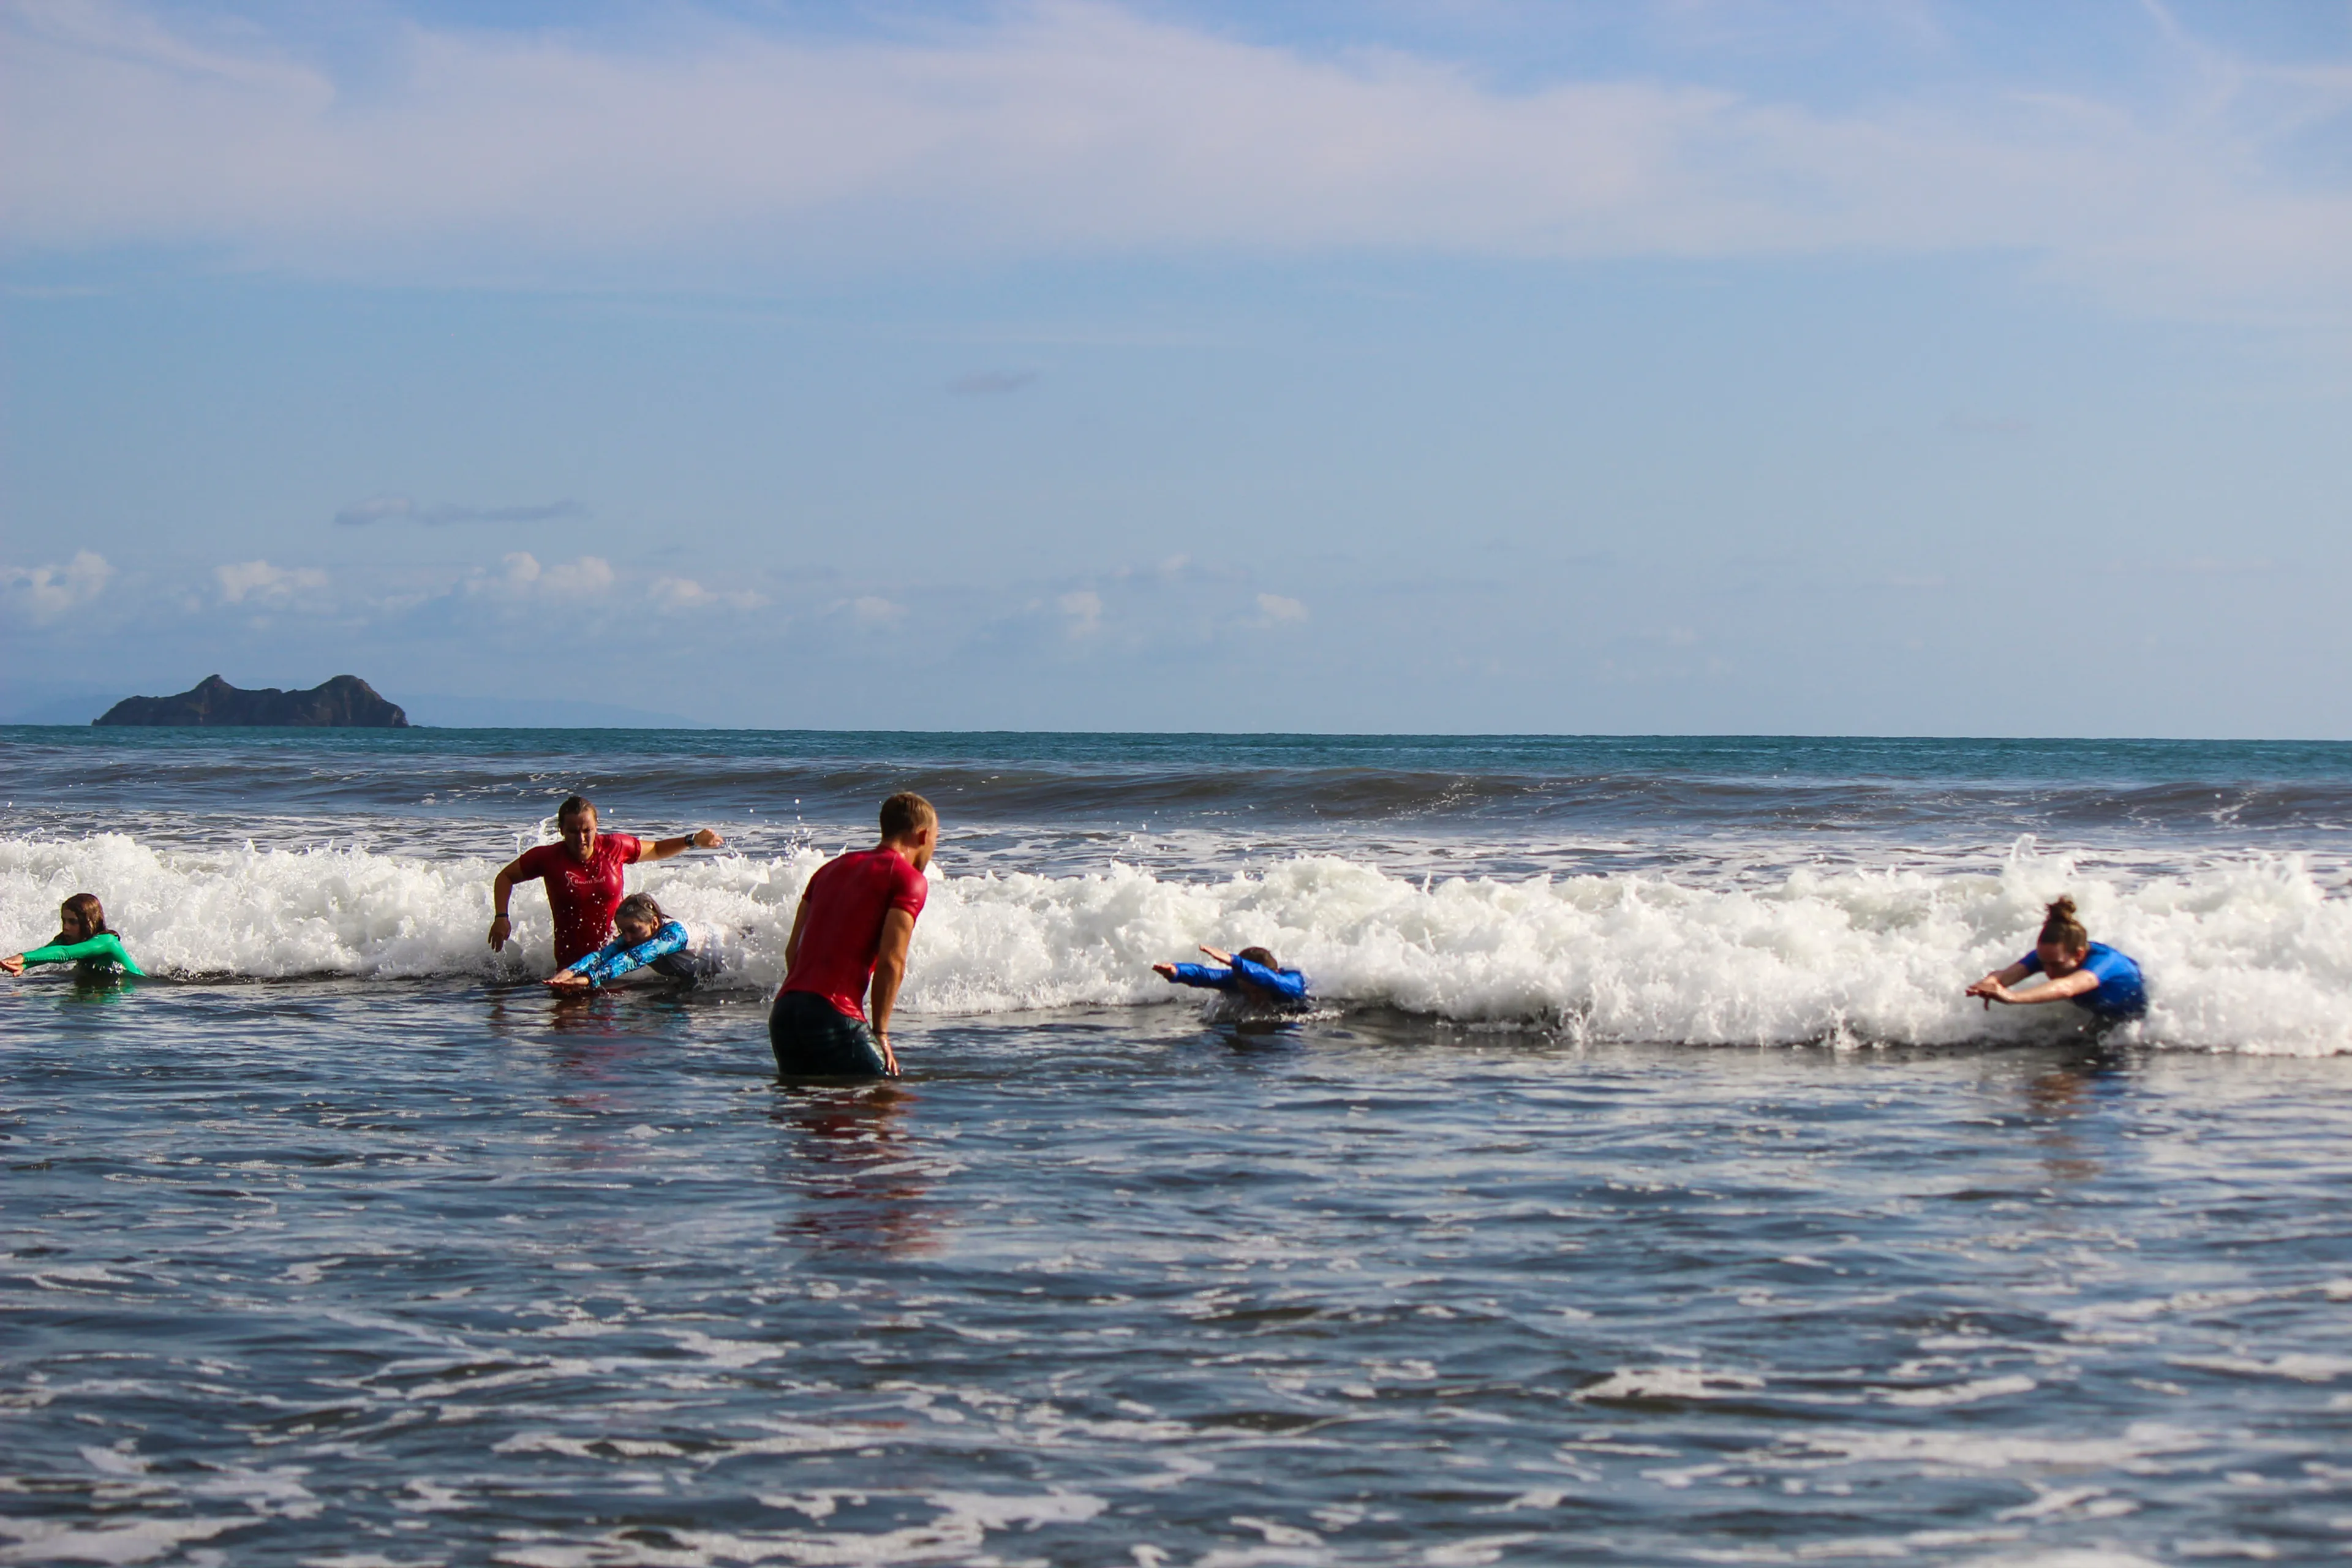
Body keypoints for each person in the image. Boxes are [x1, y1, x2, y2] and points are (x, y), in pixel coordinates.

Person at [771, 793, 937, 1078]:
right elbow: (892, 961)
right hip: (833, 1012)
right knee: (886, 1095)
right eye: (935, 839)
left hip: (785, 1013)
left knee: (806, 1102)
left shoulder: (828, 870)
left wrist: (806, 1004)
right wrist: (881, 1033)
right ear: (923, 836)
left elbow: (792, 951)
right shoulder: (908, 879)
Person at [488, 795, 725, 968]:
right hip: (570, 962)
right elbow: (505, 877)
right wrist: (501, 917)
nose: (581, 839)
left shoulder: (614, 847)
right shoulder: (548, 858)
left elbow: (657, 849)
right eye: (573, 831)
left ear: (596, 827)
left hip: (617, 959)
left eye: (587, 830)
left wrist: (693, 840)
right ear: (561, 830)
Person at [1966, 896, 2146, 1020]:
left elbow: (2067, 987)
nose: (2049, 972)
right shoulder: (2049, 956)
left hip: (2144, 1022)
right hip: (2107, 1016)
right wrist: (1987, 984)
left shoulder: (2105, 962)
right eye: (2044, 964)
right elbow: (2004, 976)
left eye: (2056, 965)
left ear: (2079, 954)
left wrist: (2012, 997)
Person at [545, 893, 721, 991]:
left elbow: (634, 958)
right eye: (623, 931)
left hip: (728, 956)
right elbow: (601, 956)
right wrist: (571, 971)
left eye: (634, 930)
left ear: (654, 923)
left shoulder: (674, 935)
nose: (627, 938)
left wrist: (589, 979)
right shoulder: (634, 938)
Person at [3, 893, 147, 979]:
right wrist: (24, 966)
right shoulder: (69, 939)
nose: (66, 927)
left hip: (134, 993)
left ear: (90, 922)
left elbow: (64, 953)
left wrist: (23, 957)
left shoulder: (107, 941)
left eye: (73, 922)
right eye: (64, 921)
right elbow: (46, 953)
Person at [1155, 945, 1310, 1008]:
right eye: (1247, 992)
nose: (1253, 998)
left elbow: (1268, 978)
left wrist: (1234, 961)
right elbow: (1204, 975)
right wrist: (1177, 971)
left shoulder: (1292, 984)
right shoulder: (1238, 979)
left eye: (1257, 992)